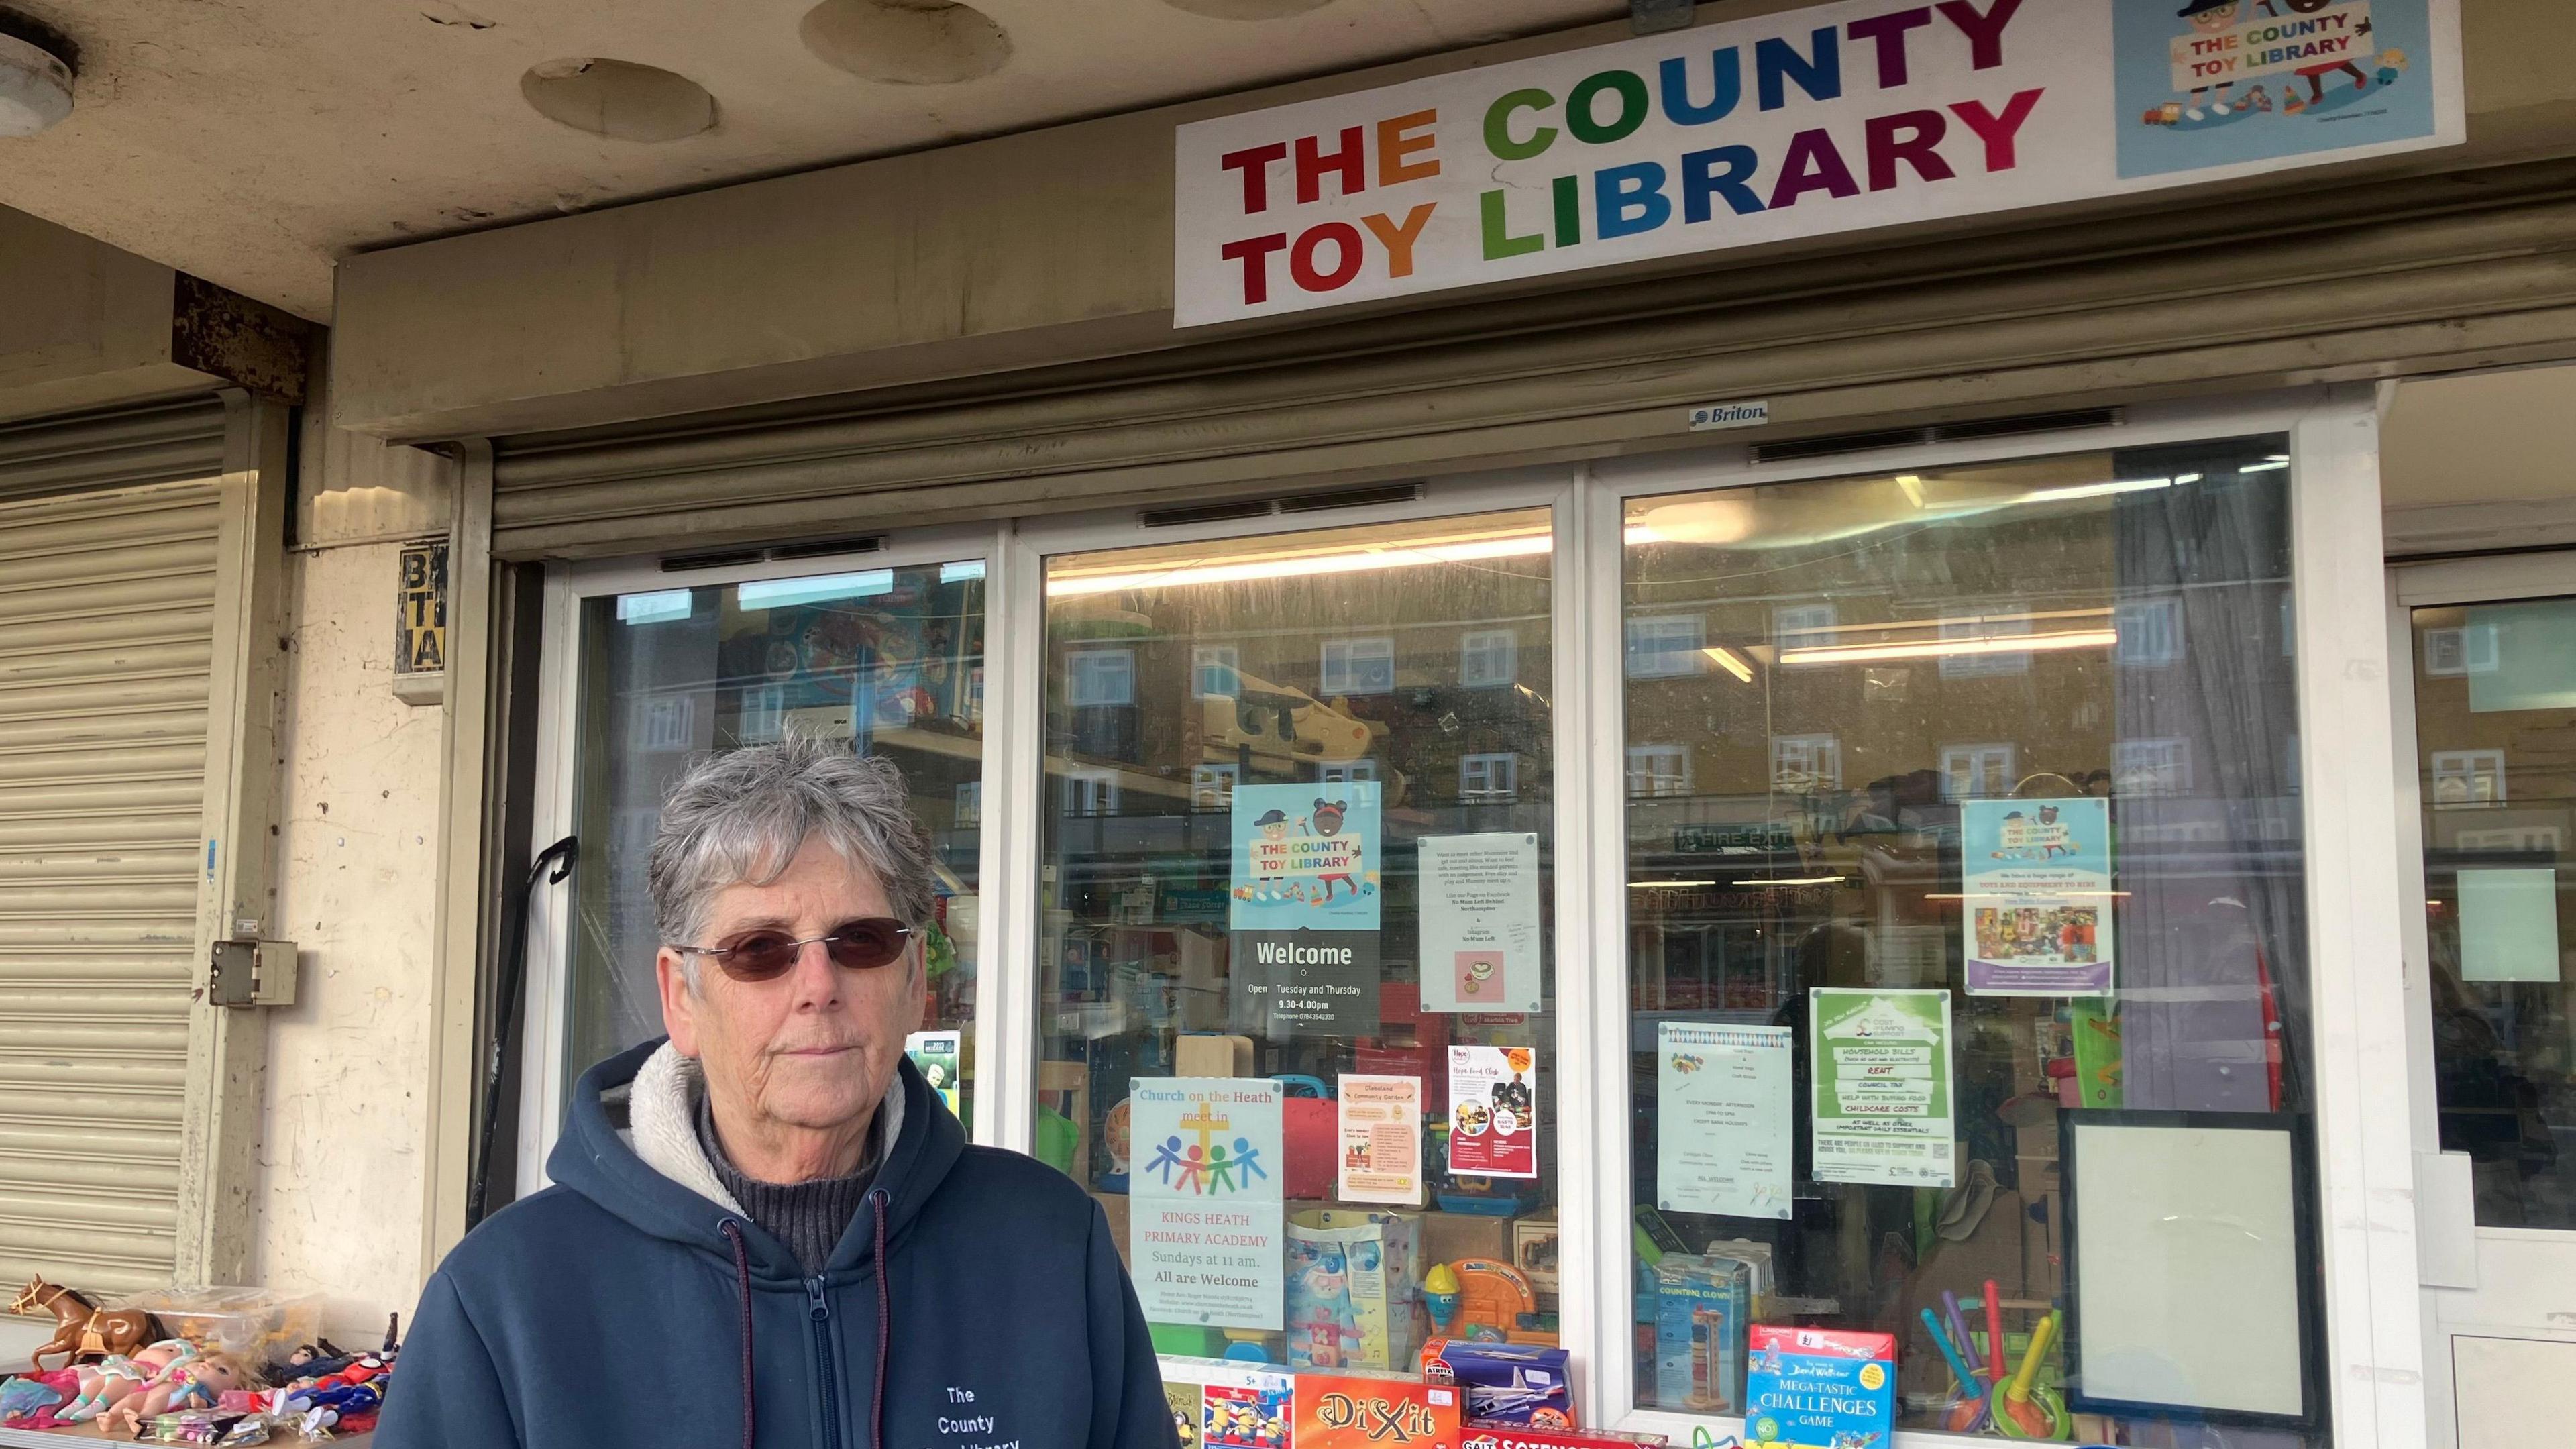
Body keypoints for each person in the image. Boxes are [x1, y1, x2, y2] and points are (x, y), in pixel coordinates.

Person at [380, 737, 1174, 1449]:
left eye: (860, 940)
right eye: (760, 950)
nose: (819, 986)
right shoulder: (505, 1299)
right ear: (682, 998)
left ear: (914, 982)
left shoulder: (1051, 1246)